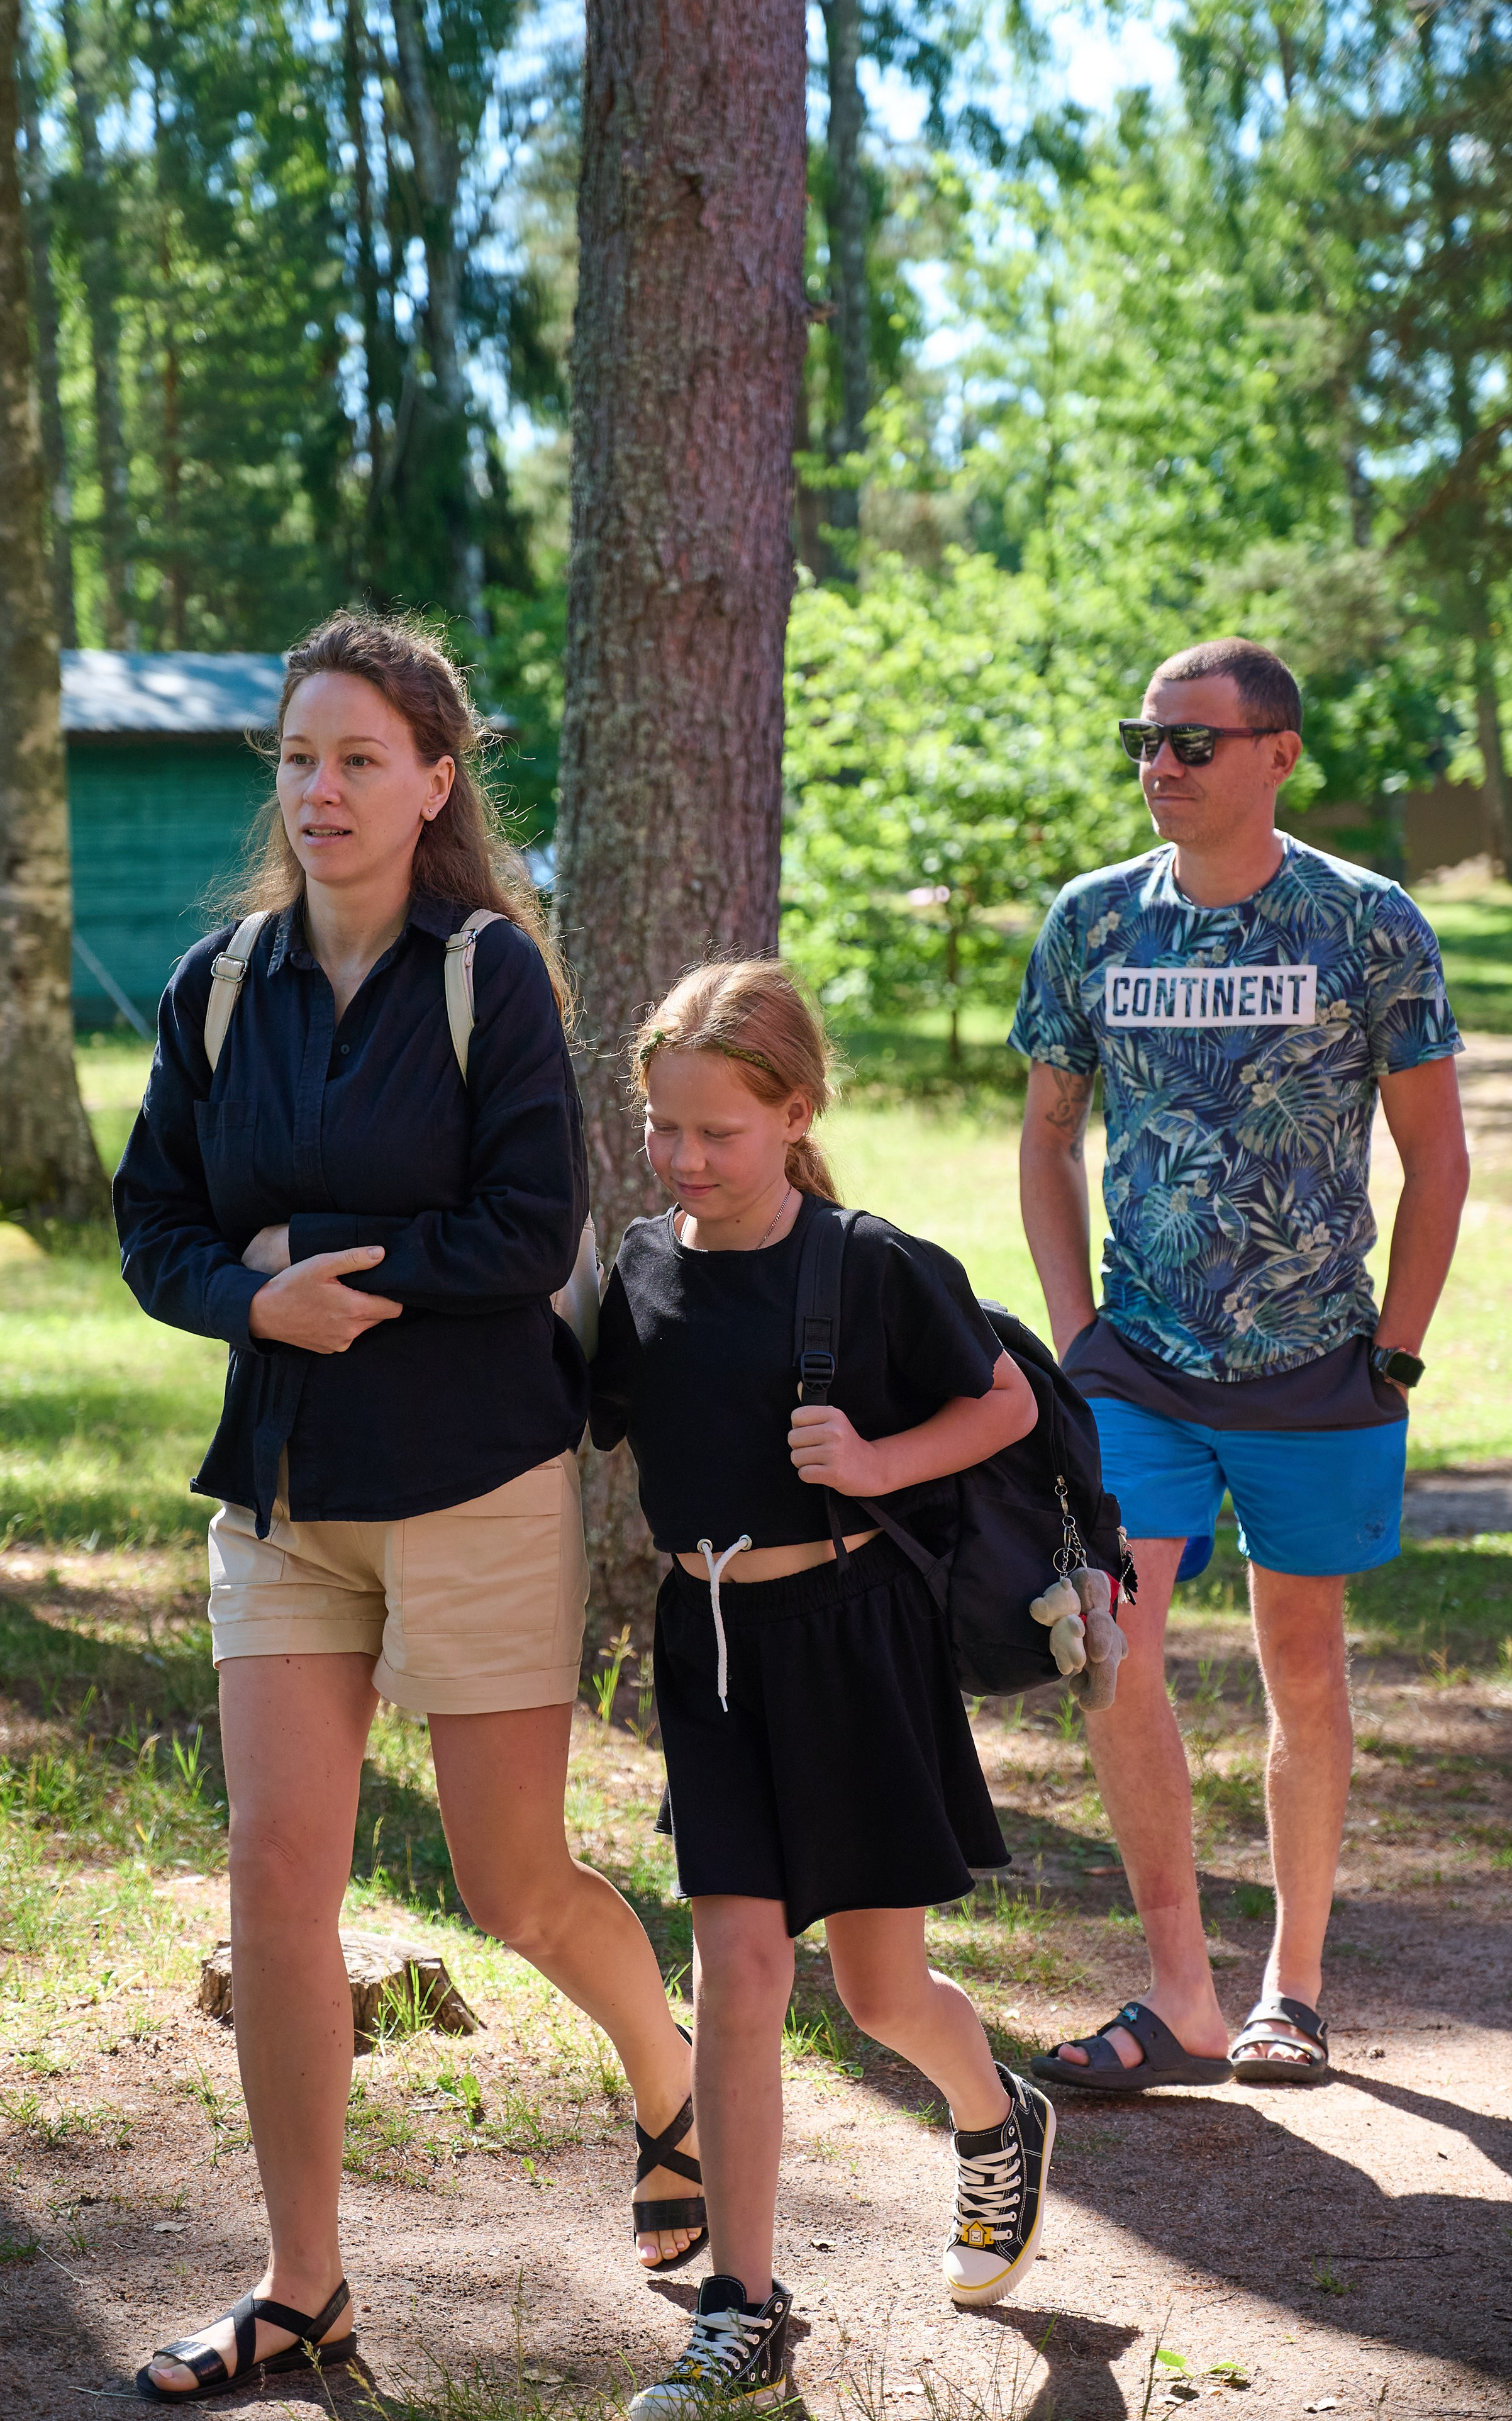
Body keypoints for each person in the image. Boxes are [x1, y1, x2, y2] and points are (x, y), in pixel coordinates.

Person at [113, 610, 704, 2405]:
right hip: (286, 1493)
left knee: (511, 1882)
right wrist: (250, 1297)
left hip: (476, 1482)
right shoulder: (219, 987)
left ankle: (670, 2079)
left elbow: (534, 1231)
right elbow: (156, 1228)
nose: (321, 790)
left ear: (435, 782)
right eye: (299, 758)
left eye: (361, 758)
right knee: (274, 1886)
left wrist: (317, 1259)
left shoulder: (487, 974)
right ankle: (305, 2289)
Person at [589, 961, 1056, 2418]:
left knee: (875, 1988)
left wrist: (870, 1463)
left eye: (716, 1131)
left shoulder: (867, 1263)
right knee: (736, 1968)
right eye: (663, 1129)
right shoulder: (636, 1267)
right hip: (707, 1648)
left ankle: (992, 2114)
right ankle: (743, 2308)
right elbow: (583, 1416)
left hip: (854, 1645)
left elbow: (1006, 1400)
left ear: (793, 1115)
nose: (684, 1159)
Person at [1012, 635, 1469, 2091]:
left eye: (1189, 742)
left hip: (1317, 1366)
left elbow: (1435, 1153)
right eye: (1140, 738)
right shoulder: (1089, 923)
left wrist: (1390, 1349)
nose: (1158, 764)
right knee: (1115, 1651)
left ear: (1275, 751)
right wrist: (1073, 1330)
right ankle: (1176, 1987)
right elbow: (1043, 1133)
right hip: (1134, 1367)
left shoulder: (1365, 920)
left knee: (1303, 1666)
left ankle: (1293, 1982)